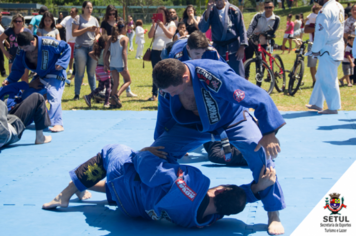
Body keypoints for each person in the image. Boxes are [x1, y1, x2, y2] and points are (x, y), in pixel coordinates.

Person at [152, 59, 286, 235]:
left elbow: (257, 95)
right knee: (155, 154)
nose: (172, 95)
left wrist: (269, 132)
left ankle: (273, 211)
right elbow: (164, 113)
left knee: (258, 151)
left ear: (185, 77)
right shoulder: (168, 85)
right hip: (194, 126)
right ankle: (153, 198)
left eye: (174, 91)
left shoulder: (213, 75)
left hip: (232, 120)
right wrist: (158, 140)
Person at [42, 144, 277, 229]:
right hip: (132, 207)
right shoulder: (202, 222)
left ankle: (65, 195)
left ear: (220, 189)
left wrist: (143, 153)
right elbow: (236, 201)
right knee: (133, 187)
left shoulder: (192, 182)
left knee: (112, 153)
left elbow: (148, 169)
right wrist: (257, 190)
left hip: (127, 182)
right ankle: (85, 185)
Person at [2, 31, 70, 132]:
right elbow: (17, 68)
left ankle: (58, 123)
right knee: (27, 97)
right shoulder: (21, 50)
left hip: (55, 74)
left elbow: (66, 47)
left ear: (32, 42)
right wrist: (10, 80)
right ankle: (43, 117)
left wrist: (62, 62)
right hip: (41, 77)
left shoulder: (47, 42)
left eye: (26, 48)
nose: (24, 50)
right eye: (22, 48)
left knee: (53, 94)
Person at [305, 0, 344, 114]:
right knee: (321, 75)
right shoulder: (338, 5)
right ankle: (317, 103)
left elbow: (322, 34)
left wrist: (315, 50)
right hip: (336, 45)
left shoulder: (325, 11)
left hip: (328, 48)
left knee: (329, 78)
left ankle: (333, 107)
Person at [199, 0, 248, 77]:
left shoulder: (234, 10)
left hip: (233, 48)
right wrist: (208, 10)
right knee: (219, 75)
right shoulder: (210, 11)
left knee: (237, 75)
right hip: (218, 49)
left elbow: (242, 29)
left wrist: (242, 46)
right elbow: (202, 29)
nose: (218, 1)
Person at [147, 6, 176, 101]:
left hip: (165, 51)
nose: (159, 16)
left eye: (161, 14)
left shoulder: (170, 24)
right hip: (155, 50)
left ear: (165, 14)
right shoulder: (155, 24)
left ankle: (166, 92)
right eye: (158, 13)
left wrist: (162, 26)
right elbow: (149, 36)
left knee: (166, 72)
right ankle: (154, 94)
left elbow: (170, 35)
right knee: (155, 72)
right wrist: (153, 25)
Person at [245, 0, 280, 80]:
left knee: (260, 64)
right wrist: (248, 36)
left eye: (270, 7)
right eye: (266, 7)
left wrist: (262, 33)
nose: (268, 9)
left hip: (263, 43)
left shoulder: (276, 19)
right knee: (247, 62)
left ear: (273, 7)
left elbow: (272, 32)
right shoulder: (258, 16)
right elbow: (251, 27)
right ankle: (246, 80)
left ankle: (259, 84)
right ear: (264, 8)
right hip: (252, 41)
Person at [72, 1, 100, 101]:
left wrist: (96, 38)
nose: (90, 10)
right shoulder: (78, 18)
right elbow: (74, 33)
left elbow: (98, 33)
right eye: (88, 7)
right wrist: (87, 29)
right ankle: (77, 94)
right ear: (83, 8)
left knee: (91, 72)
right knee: (80, 72)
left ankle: (94, 94)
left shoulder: (95, 20)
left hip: (92, 48)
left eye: (91, 7)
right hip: (80, 48)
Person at [104, 20, 131, 108]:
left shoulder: (110, 38)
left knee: (116, 83)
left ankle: (112, 103)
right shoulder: (125, 38)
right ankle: (116, 96)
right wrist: (126, 65)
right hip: (120, 64)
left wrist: (105, 63)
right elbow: (124, 52)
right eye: (126, 28)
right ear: (123, 28)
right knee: (128, 81)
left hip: (112, 64)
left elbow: (105, 51)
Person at [0, 14, 31, 83]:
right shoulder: (9, 30)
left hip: (24, 57)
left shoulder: (27, 31)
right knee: (11, 79)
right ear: (12, 22)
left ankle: (25, 94)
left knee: (24, 79)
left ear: (23, 22)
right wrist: (5, 52)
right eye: (15, 21)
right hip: (12, 57)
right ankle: (12, 94)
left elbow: (33, 43)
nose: (17, 23)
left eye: (19, 21)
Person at [84, 34, 111, 108]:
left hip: (98, 69)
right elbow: (106, 61)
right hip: (104, 69)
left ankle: (89, 96)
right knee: (108, 86)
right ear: (105, 43)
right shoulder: (106, 51)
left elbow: (90, 53)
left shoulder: (99, 50)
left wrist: (97, 59)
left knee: (101, 87)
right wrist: (108, 67)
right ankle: (106, 102)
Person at [56, 7, 78, 76]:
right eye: (70, 11)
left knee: (77, 58)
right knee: (70, 57)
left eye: (72, 11)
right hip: (69, 41)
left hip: (77, 42)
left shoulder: (79, 19)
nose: (71, 12)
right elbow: (61, 25)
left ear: (76, 12)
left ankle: (76, 71)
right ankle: (70, 69)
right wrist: (55, 26)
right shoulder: (67, 18)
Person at [304, 5, 321, 87]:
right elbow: (306, 29)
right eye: (316, 9)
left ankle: (320, 80)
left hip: (322, 43)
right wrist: (317, 28)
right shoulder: (311, 17)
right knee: (312, 64)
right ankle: (314, 81)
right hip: (312, 42)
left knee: (322, 63)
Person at [0, 13, 8, 77]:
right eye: (0, 17)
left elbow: (2, 35)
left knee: (1, 58)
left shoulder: (0, 24)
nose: (1, 18)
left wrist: (6, 41)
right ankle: (3, 73)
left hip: (1, 43)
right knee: (1, 58)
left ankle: (3, 72)